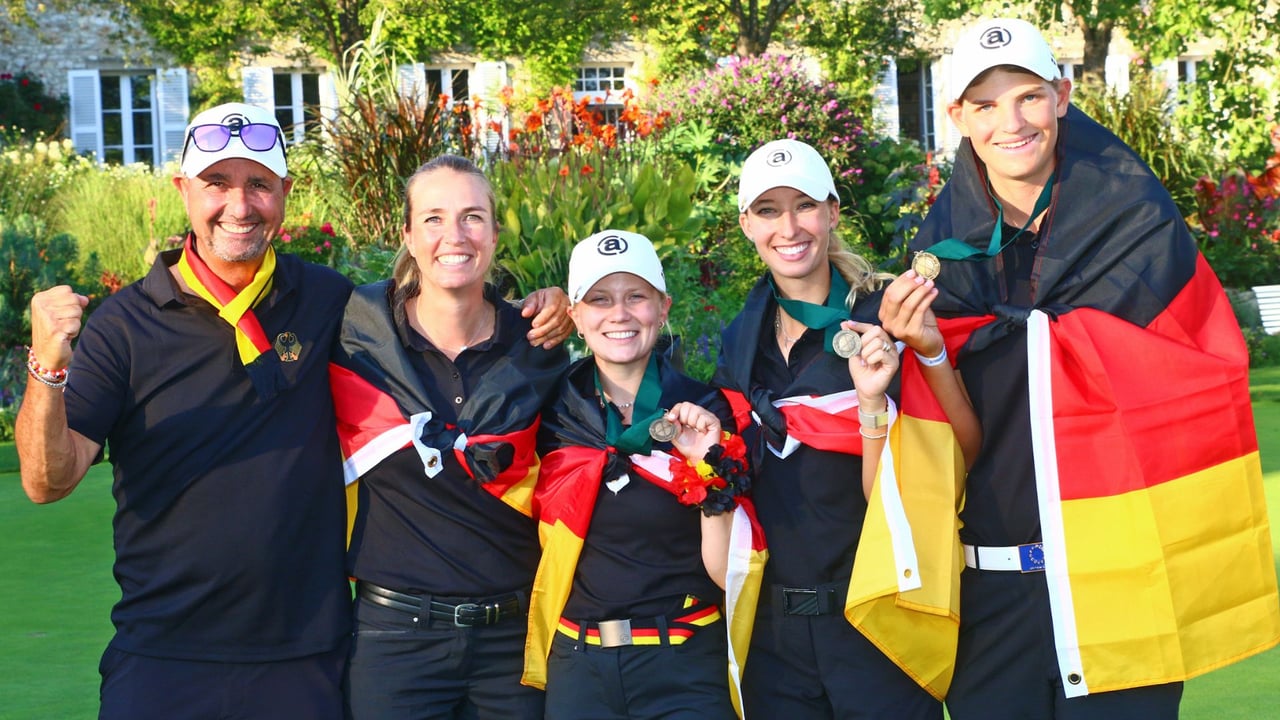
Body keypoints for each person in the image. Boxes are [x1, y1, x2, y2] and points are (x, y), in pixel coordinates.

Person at [16, 105, 572, 720]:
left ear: (285, 192)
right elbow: (47, 481)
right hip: (165, 652)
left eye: (258, 184)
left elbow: (443, 299)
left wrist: (543, 309)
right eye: (217, 183)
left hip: (305, 655)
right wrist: (46, 366)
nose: (239, 205)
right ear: (183, 190)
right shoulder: (123, 325)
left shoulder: (333, 304)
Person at [881, 18, 1280, 720]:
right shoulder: (940, 255)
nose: (1011, 122)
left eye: (1029, 97)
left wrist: (1041, 336)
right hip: (995, 593)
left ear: (1062, 96)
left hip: (1124, 576)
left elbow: (1199, 368)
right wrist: (929, 350)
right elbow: (951, 442)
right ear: (958, 117)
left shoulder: (1135, 220)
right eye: (986, 104)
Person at [715, 138, 981, 719]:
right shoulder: (739, 341)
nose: (789, 227)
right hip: (775, 640)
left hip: (876, 617)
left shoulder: (887, 318)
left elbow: (959, 453)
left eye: (805, 205)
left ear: (833, 212)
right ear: (746, 225)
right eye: (768, 210)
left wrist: (873, 401)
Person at [329, 154, 570, 719]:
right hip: (394, 640)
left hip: (513, 642)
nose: (454, 236)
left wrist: (564, 302)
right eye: (433, 218)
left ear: (495, 233)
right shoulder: (357, 341)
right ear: (408, 236)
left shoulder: (537, 347)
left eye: (472, 217)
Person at [521, 230, 753, 719]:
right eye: (600, 299)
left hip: (684, 666)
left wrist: (707, 465)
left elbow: (728, 572)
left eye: (636, 297)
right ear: (575, 316)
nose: (619, 314)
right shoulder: (548, 414)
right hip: (579, 669)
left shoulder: (706, 412)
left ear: (663, 308)